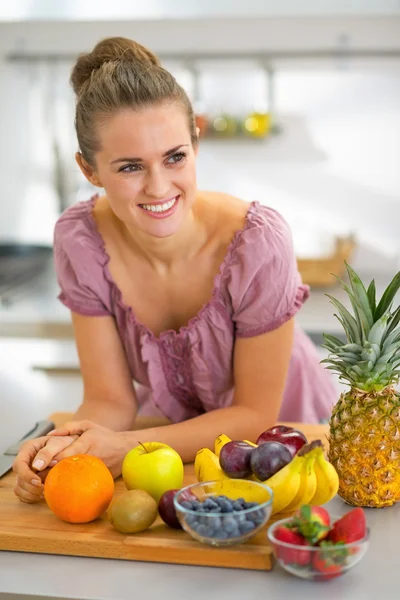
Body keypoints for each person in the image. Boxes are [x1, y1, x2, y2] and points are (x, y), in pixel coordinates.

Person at [12, 37, 337, 503]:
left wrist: (125, 448)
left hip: (288, 443)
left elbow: (254, 414)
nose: (159, 186)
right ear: (89, 170)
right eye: (129, 167)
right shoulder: (80, 242)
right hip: (179, 451)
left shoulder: (256, 241)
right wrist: (62, 449)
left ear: (196, 142)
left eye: (175, 157)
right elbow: (110, 400)